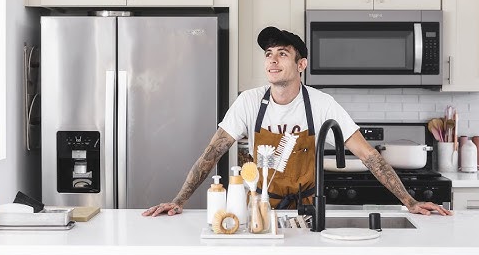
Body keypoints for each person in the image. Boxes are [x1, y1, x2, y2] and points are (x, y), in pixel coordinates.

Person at [143, 26, 452, 217]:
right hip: (259, 212)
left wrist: (410, 202)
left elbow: (370, 156)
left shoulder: (321, 104)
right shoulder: (250, 102)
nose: (272, 60)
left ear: (300, 64)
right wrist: (178, 200)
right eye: (268, 54)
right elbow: (211, 154)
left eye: (282, 54)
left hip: (305, 215)